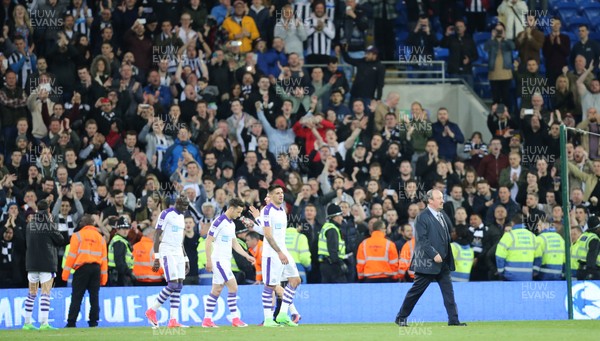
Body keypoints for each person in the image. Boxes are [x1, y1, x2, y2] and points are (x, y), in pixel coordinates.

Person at [395, 190, 466, 327]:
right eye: (439, 198)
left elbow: (447, 236)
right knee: (416, 292)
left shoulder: (442, 215)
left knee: (449, 293)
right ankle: (401, 317)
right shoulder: (422, 217)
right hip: (427, 263)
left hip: (443, 263)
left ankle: (453, 320)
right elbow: (422, 240)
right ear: (430, 201)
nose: (442, 200)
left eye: (442, 198)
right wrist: (434, 254)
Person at [201, 198, 256, 328]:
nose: (239, 215)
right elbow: (208, 241)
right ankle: (235, 319)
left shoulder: (231, 224)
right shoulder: (218, 222)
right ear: (231, 208)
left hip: (225, 261)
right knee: (233, 287)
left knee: (217, 290)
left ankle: (207, 320)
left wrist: (246, 255)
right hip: (219, 261)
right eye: (238, 212)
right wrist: (209, 260)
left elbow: (234, 243)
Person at [145, 195, 191, 328]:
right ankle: (152, 310)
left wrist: (185, 258)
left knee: (179, 285)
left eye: (186, 207)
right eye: (183, 206)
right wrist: (157, 257)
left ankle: (173, 320)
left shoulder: (182, 217)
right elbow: (157, 235)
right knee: (172, 284)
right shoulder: (166, 214)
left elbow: (180, 240)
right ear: (177, 203)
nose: (185, 209)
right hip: (167, 250)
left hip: (178, 251)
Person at [260, 185, 301, 327]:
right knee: (270, 286)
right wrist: (279, 252)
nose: (281, 195)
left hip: (283, 251)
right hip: (272, 253)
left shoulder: (282, 210)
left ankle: (283, 314)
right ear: (270, 196)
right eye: (277, 193)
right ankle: (268, 319)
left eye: (282, 193)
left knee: (295, 280)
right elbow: (267, 234)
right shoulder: (266, 211)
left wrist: (282, 252)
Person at [23, 200, 64, 330]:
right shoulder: (48, 225)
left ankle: (27, 323)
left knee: (31, 294)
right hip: (47, 263)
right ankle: (44, 323)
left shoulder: (30, 225)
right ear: (48, 210)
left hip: (31, 263)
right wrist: (51, 222)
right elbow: (60, 240)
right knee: (45, 293)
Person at [62, 214, 108, 328]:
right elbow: (104, 260)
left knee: (77, 296)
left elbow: (71, 256)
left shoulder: (77, 236)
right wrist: (104, 278)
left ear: (82, 224)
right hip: (96, 269)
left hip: (81, 269)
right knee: (94, 297)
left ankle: (71, 322)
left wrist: (65, 274)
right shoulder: (100, 238)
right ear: (93, 224)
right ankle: (93, 322)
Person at [495, 215, 537, 281]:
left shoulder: (508, 236)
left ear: (512, 223)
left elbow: (499, 256)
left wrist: (501, 272)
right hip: (527, 276)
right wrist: (534, 272)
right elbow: (538, 256)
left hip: (510, 276)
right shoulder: (533, 236)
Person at [318, 204, 348, 283]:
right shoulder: (332, 230)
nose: (342, 218)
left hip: (326, 264)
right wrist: (340, 263)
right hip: (332, 265)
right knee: (340, 290)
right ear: (336, 217)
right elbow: (332, 250)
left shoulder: (326, 227)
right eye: (341, 216)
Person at [108, 216, 134, 286]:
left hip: (117, 275)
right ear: (117, 229)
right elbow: (120, 262)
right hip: (120, 277)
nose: (125, 231)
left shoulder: (121, 240)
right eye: (123, 228)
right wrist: (129, 274)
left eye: (127, 228)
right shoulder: (119, 242)